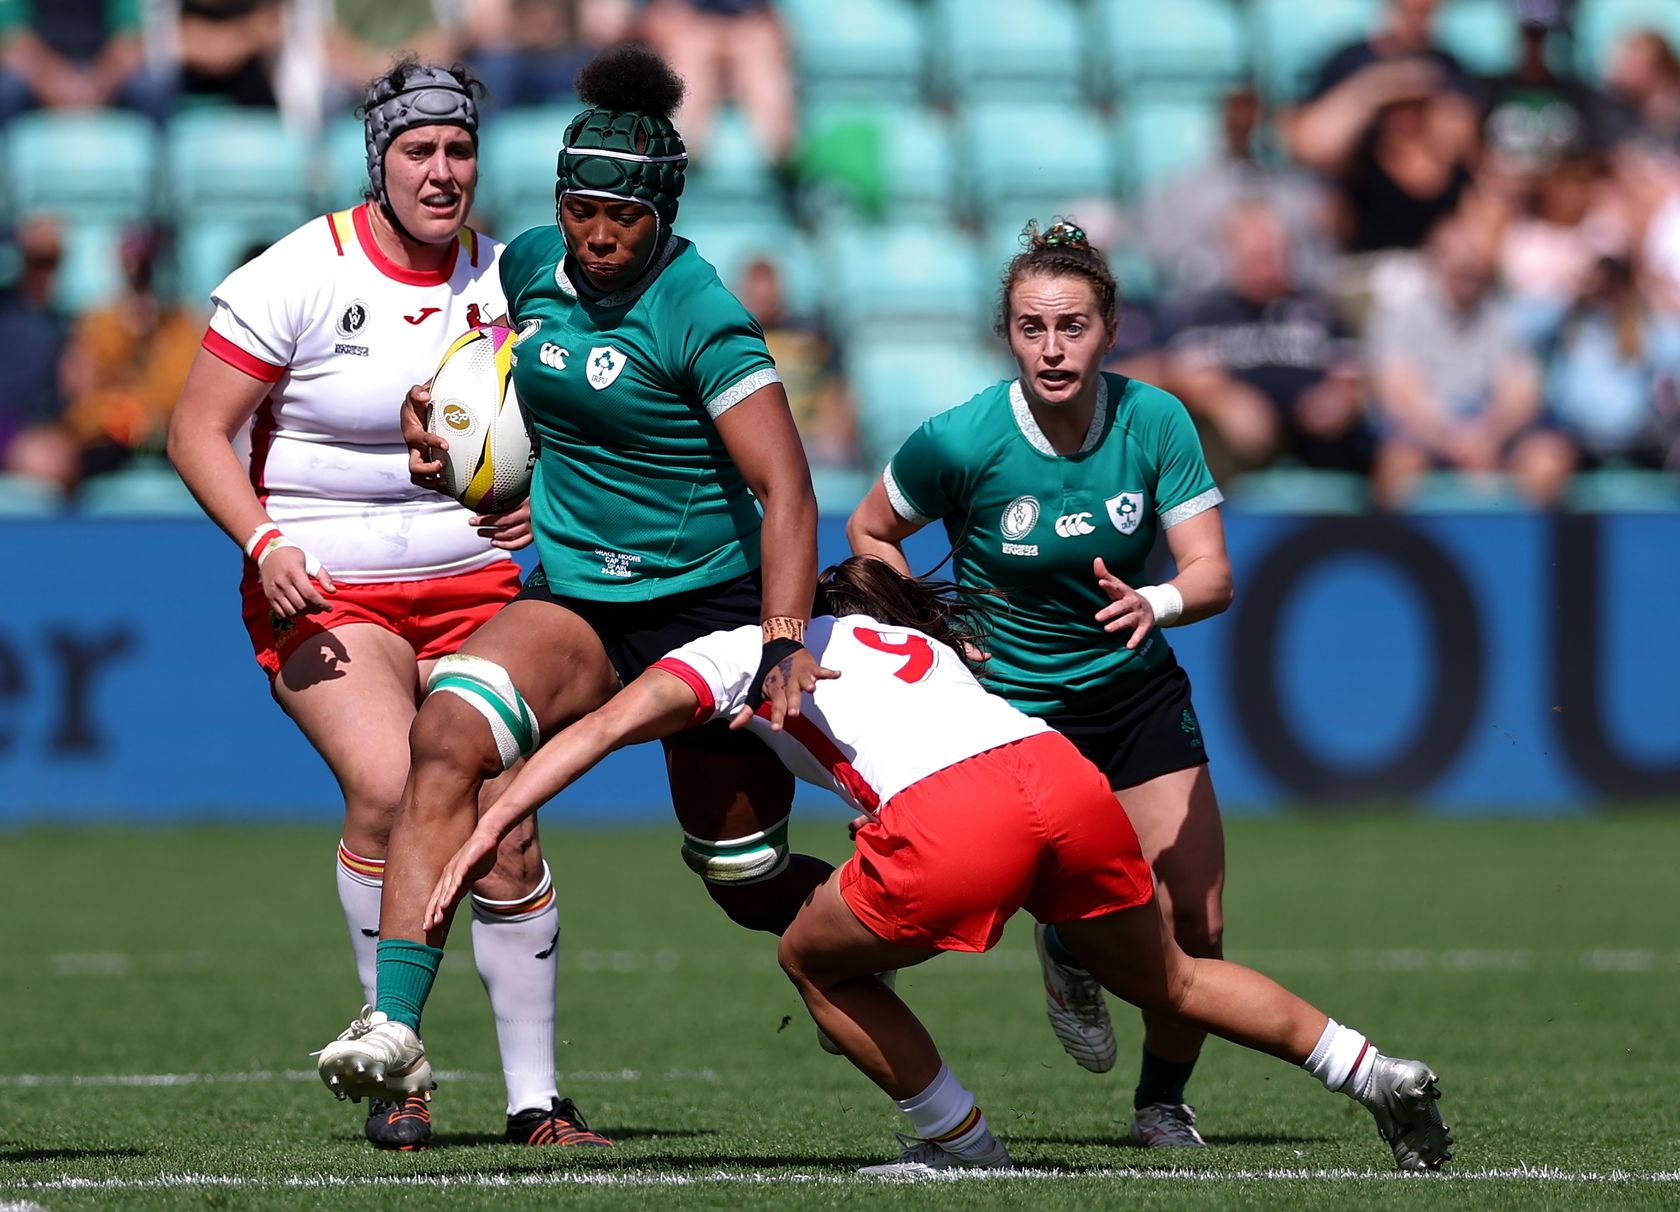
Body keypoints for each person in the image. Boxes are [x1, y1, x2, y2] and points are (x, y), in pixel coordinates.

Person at [404, 556, 1454, 1177]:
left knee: (814, 963)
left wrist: (493, 822)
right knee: (1170, 977)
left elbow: (589, 735)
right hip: (1060, 775)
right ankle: (1371, 1070)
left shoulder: (729, 651)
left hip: (953, 819)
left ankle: (955, 1137)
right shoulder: (903, 639)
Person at [312, 43, 827, 1105]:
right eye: (580, 208)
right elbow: (501, 378)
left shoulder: (702, 315)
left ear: (665, 213)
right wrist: (445, 429)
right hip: (582, 599)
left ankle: (869, 945)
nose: (597, 236)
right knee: (444, 736)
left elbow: (788, 489)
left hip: (711, 613)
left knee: (742, 878)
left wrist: (781, 638)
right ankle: (396, 1024)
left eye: (623, 218)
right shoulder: (529, 266)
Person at [166, 59, 610, 1152]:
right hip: (326, 583)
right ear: (381, 161)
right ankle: (396, 1072)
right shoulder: (298, 272)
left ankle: (537, 1104)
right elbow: (193, 431)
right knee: (390, 788)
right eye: (419, 151)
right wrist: (263, 541)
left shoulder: (520, 277)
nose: (443, 170)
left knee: (505, 825)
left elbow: (586, 426)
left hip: (484, 588)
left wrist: (538, 504)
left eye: (459, 149)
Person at [845, 219, 1234, 1150]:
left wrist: (1158, 601)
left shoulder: (1156, 420)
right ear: (1006, 332)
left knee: (1197, 919)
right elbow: (867, 534)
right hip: (1009, 712)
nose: (1052, 349)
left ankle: (1161, 1105)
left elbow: (1213, 573)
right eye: (1031, 327)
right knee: (933, 912)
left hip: (1132, 694)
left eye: (1072, 327)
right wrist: (937, 635)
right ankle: (1041, 957)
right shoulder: (964, 437)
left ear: (1109, 328)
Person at [1365, 214, 1575, 507]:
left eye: (1474, 257)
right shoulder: (1399, 316)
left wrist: (1487, 437)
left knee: (1548, 460)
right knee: (1398, 466)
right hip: (1427, 432)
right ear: (1434, 260)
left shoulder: (1506, 317)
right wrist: (1454, 442)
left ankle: (1523, 548)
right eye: (1456, 257)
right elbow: (1400, 398)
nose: (1467, 266)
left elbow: (1520, 393)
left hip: (1490, 429)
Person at [1163, 202, 1372, 477]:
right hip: (1237, 436)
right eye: (1255, 257)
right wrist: (1224, 400)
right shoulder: (1205, 312)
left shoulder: (1319, 308)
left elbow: (1350, 371)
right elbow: (1179, 374)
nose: (1265, 266)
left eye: (1272, 254)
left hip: (1315, 435)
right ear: (1231, 255)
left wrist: (1338, 396)